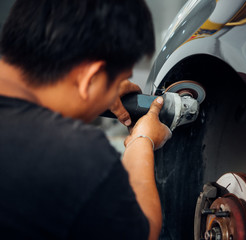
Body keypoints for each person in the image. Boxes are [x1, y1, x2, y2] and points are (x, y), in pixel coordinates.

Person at [0, 0, 172, 239]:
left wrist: (102, 88)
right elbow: (144, 232)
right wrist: (142, 141)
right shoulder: (76, 154)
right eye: (115, 83)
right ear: (89, 77)